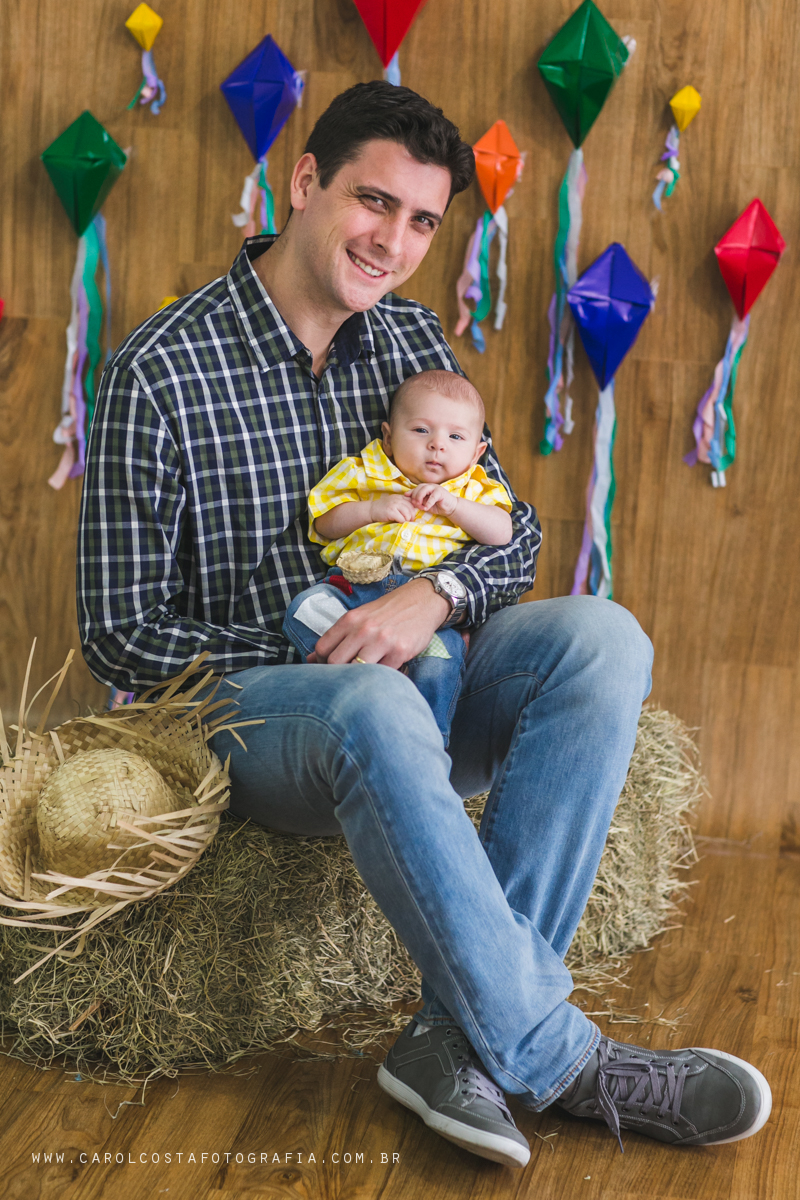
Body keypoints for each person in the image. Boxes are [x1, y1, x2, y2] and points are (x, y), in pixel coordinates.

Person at [77, 80, 771, 1168]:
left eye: (421, 221)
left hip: (427, 675)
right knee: (368, 702)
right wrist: (314, 653)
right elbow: (119, 634)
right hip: (257, 721)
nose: (392, 242)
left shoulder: (405, 339)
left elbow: (513, 534)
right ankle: (561, 1057)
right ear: (303, 183)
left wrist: (430, 597)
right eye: (372, 202)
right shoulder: (157, 373)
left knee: (602, 638)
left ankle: (456, 1040)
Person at [282, 369, 512, 745]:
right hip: (353, 592)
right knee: (304, 608)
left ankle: (427, 740)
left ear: (476, 452)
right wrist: (372, 508)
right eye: (421, 431)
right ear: (388, 437)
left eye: (455, 437)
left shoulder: (473, 489)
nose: (437, 445)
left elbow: (502, 531)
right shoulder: (365, 471)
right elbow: (324, 522)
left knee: (441, 660)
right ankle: (368, 678)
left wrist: (456, 507)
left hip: (429, 616)